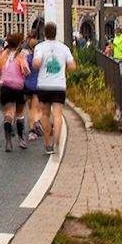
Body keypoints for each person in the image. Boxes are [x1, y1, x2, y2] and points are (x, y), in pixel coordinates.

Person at [31, 22, 75, 156]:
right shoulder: (64, 48)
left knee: (45, 114)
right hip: (59, 85)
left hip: (44, 84)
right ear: (56, 33)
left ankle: (47, 143)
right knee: (57, 114)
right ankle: (57, 140)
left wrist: (37, 64)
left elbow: (36, 64)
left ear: (44, 33)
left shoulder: (40, 47)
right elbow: (73, 66)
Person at [0, 33, 30, 152]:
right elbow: (26, 71)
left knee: (8, 113)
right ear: (19, 43)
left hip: (6, 86)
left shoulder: (3, 55)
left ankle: (8, 141)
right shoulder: (21, 56)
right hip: (18, 87)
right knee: (20, 113)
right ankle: (20, 138)